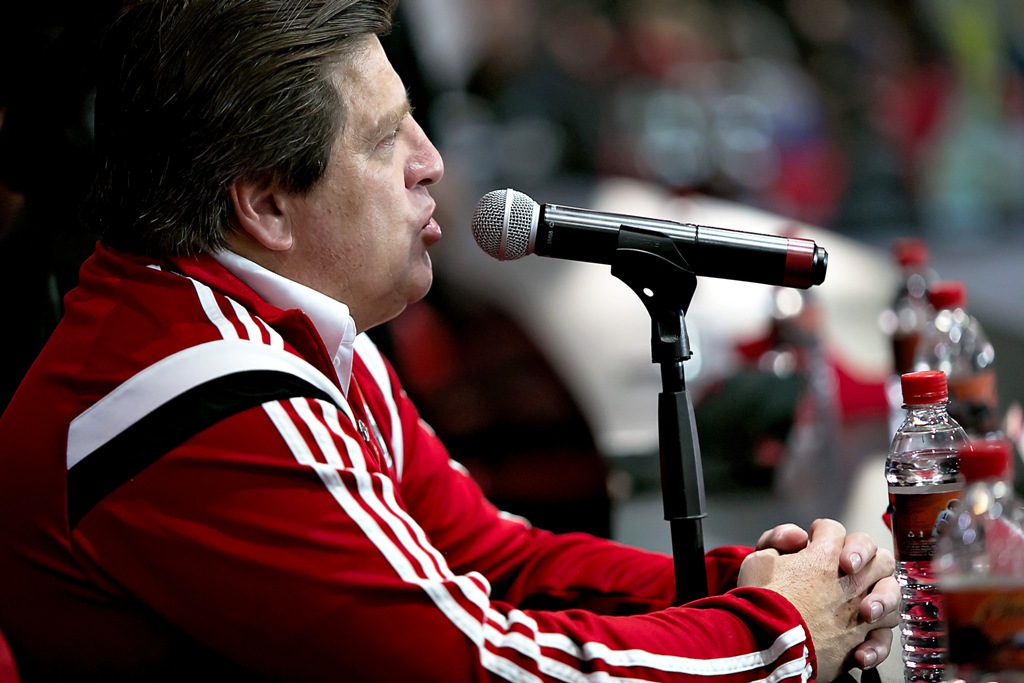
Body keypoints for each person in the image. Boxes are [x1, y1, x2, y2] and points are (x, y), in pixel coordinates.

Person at [0, 1, 899, 681]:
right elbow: (477, 664)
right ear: (267, 203)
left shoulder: (274, 327)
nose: (431, 161)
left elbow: (497, 561)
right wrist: (776, 634)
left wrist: (746, 578)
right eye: (387, 138)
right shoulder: (203, 398)